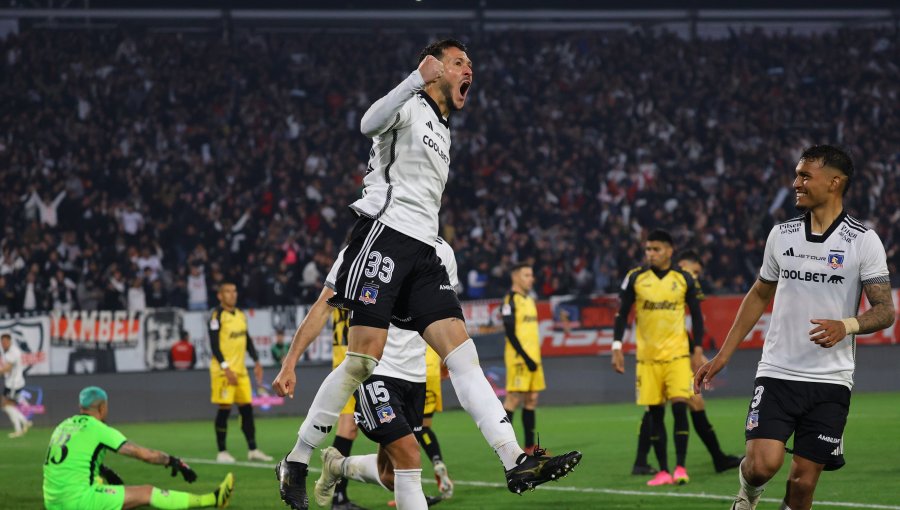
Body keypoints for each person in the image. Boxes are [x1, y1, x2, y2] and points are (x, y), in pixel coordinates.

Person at [274, 38, 581, 510]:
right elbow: (366, 123)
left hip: (424, 251)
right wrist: (416, 78)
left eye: (470, 65)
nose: (469, 71)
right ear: (436, 67)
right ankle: (296, 459)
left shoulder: (443, 127)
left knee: (464, 356)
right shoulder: (410, 105)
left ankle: (514, 458)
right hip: (385, 235)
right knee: (360, 363)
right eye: (460, 63)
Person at [694, 145, 895, 510]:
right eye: (797, 174)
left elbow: (885, 311)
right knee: (761, 466)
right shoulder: (781, 235)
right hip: (777, 371)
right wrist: (722, 355)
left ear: (835, 182)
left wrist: (846, 325)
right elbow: (758, 294)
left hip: (831, 380)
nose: (795, 183)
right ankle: (748, 495)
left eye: (805, 176)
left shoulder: (863, 241)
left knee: (802, 485)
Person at [274, 239, 458, 509]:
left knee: (391, 474)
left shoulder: (443, 251)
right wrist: (289, 361)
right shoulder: (363, 245)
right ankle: (300, 459)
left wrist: (446, 353)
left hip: (415, 376)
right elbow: (322, 307)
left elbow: (445, 311)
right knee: (409, 457)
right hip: (376, 370)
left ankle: (337, 466)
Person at [630, 251, 742, 475]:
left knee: (659, 407)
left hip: (671, 357)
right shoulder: (666, 285)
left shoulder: (679, 292)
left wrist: (693, 352)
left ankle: (641, 462)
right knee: (679, 405)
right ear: (682, 265)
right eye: (695, 271)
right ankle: (717, 459)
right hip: (660, 359)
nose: (697, 278)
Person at [611, 229, 705, 486]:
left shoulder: (684, 278)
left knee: (679, 407)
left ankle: (680, 467)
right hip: (647, 359)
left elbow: (697, 316)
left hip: (677, 357)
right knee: (655, 414)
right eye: (648, 249)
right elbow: (621, 314)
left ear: (669, 250)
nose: (650, 254)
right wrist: (617, 346)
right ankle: (663, 470)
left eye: (656, 249)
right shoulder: (636, 278)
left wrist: (697, 350)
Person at [42, 386, 234, 510]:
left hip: (52, 502)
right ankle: (212, 499)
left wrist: (104, 470)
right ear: (102, 408)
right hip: (78, 501)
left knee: (100, 482)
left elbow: (69, 459)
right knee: (147, 493)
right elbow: (143, 455)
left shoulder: (63, 425)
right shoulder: (99, 429)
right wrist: (173, 461)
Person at [208, 282, 272, 463]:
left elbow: (248, 340)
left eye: (234, 291)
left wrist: (257, 361)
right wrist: (225, 367)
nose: (232, 294)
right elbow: (214, 345)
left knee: (247, 409)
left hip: (241, 370)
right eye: (227, 291)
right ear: (220, 296)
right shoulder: (217, 315)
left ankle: (253, 449)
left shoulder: (241, 315)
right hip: (223, 371)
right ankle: (222, 452)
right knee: (225, 409)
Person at [501, 263, 544, 455]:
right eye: (527, 275)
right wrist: (526, 358)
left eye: (531, 275)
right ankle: (504, 446)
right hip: (519, 359)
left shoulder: (530, 300)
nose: (531, 278)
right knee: (513, 399)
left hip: (534, 358)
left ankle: (529, 447)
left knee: (532, 399)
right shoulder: (510, 300)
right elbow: (510, 334)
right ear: (516, 277)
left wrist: (533, 358)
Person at [1, 332, 32, 437]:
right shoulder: (7, 351)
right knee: (6, 405)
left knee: (7, 406)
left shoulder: (13, 352)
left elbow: (8, 368)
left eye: (5, 342)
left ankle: (20, 427)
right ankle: (24, 422)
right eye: (2, 342)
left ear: (10, 341)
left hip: (14, 384)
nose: (3, 344)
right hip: (11, 383)